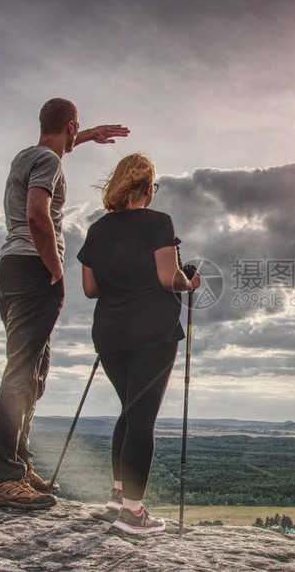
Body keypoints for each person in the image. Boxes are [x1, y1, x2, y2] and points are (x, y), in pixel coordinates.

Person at [0, 98, 130, 510]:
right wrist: (55, 269)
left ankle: (17, 463)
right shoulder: (49, 162)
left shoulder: (28, 155)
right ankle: (3, 476)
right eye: (75, 130)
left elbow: (57, 147)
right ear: (69, 124)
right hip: (33, 267)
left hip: (12, 267)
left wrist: (85, 136)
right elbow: (37, 212)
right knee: (22, 371)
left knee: (33, 372)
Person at [77, 153, 200, 534]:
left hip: (110, 334)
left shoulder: (97, 230)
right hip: (153, 333)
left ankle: (117, 495)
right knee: (142, 417)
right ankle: (133, 513)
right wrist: (189, 281)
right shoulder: (158, 223)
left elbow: (90, 288)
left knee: (130, 411)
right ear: (148, 188)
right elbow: (168, 278)